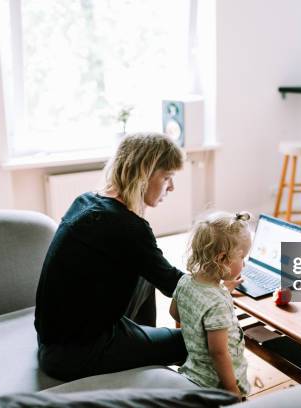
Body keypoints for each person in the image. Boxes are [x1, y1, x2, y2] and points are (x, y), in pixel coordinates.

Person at [34, 133, 245, 381]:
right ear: (145, 174)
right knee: (198, 343)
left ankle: (143, 345)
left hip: (57, 340)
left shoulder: (86, 201)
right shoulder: (127, 227)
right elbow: (176, 285)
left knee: (145, 272)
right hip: (78, 353)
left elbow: (160, 273)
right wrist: (217, 286)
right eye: (167, 177)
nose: (172, 186)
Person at [170, 211, 252, 400]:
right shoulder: (217, 304)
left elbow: (174, 312)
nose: (244, 263)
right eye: (242, 258)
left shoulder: (185, 280)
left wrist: (223, 290)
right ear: (222, 259)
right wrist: (232, 390)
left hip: (194, 371)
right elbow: (219, 352)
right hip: (217, 386)